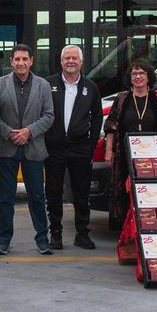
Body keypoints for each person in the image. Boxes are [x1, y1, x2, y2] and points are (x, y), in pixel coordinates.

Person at [103, 59, 157, 261]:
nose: (138, 77)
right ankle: (129, 239)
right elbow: (111, 127)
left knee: (150, 196)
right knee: (125, 195)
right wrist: (109, 151)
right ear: (129, 78)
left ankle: (149, 235)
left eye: (142, 73)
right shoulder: (122, 98)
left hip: (152, 157)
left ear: (149, 76)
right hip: (125, 156)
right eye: (134, 74)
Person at [0, 44, 55, 255]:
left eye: (24, 59)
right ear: (11, 61)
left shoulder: (43, 85)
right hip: (6, 149)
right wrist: (10, 133)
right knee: (6, 197)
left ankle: (42, 239)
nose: (20, 63)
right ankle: (3, 240)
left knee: (37, 196)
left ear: (31, 61)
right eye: (16, 59)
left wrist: (28, 131)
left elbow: (48, 116)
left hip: (34, 148)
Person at [45, 45, 103, 251]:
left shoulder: (91, 87)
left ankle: (82, 233)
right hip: (54, 148)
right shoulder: (48, 84)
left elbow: (97, 118)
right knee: (53, 192)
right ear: (61, 62)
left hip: (80, 148)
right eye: (66, 58)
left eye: (74, 58)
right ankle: (56, 234)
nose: (71, 61)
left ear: (81, 62)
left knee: (81, 192)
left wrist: (92, 143)